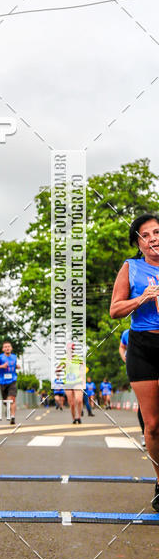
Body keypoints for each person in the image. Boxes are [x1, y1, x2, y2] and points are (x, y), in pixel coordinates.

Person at [110, 212, 159, 510]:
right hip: (142, 346)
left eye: (157, 232)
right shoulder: (131, 268)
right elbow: (115, 309)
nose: (153, 238)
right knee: (153, 425)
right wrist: (142, 298)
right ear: (138, 243)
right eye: (146, 235)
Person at [119, 328, 145, 444]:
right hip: (138, 370)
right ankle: (145, 433)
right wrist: (124, 357)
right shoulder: (126, 333)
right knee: (143, 404)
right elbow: (122, 347)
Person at [0, 341, 19, 424]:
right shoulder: (0, 357)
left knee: (12, 399)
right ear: (3, 349)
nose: (7, 348)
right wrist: (2, 366)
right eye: (5, 347)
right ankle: (9, 409)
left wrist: (16, 366)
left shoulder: (14, 357)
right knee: (6, 401)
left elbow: (14, 365)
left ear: (11, 348)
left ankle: (13, 416)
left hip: (12, 380)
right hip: (3, 381)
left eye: (9, 346)